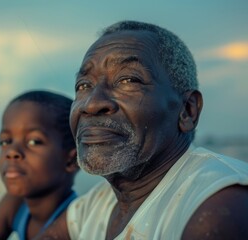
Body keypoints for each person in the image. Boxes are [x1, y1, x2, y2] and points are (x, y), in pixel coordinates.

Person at [36, 20, 248, 240]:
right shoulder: (95, 206)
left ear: (187, 111)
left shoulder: (218, 203)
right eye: (83, 85)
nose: (91, 104)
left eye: (128, 79)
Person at [0, 90, 79, 240]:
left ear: (72, 160)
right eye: (6, 141)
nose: (12, 152)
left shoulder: (74, 221)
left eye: (34, 141)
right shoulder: (15, 204)